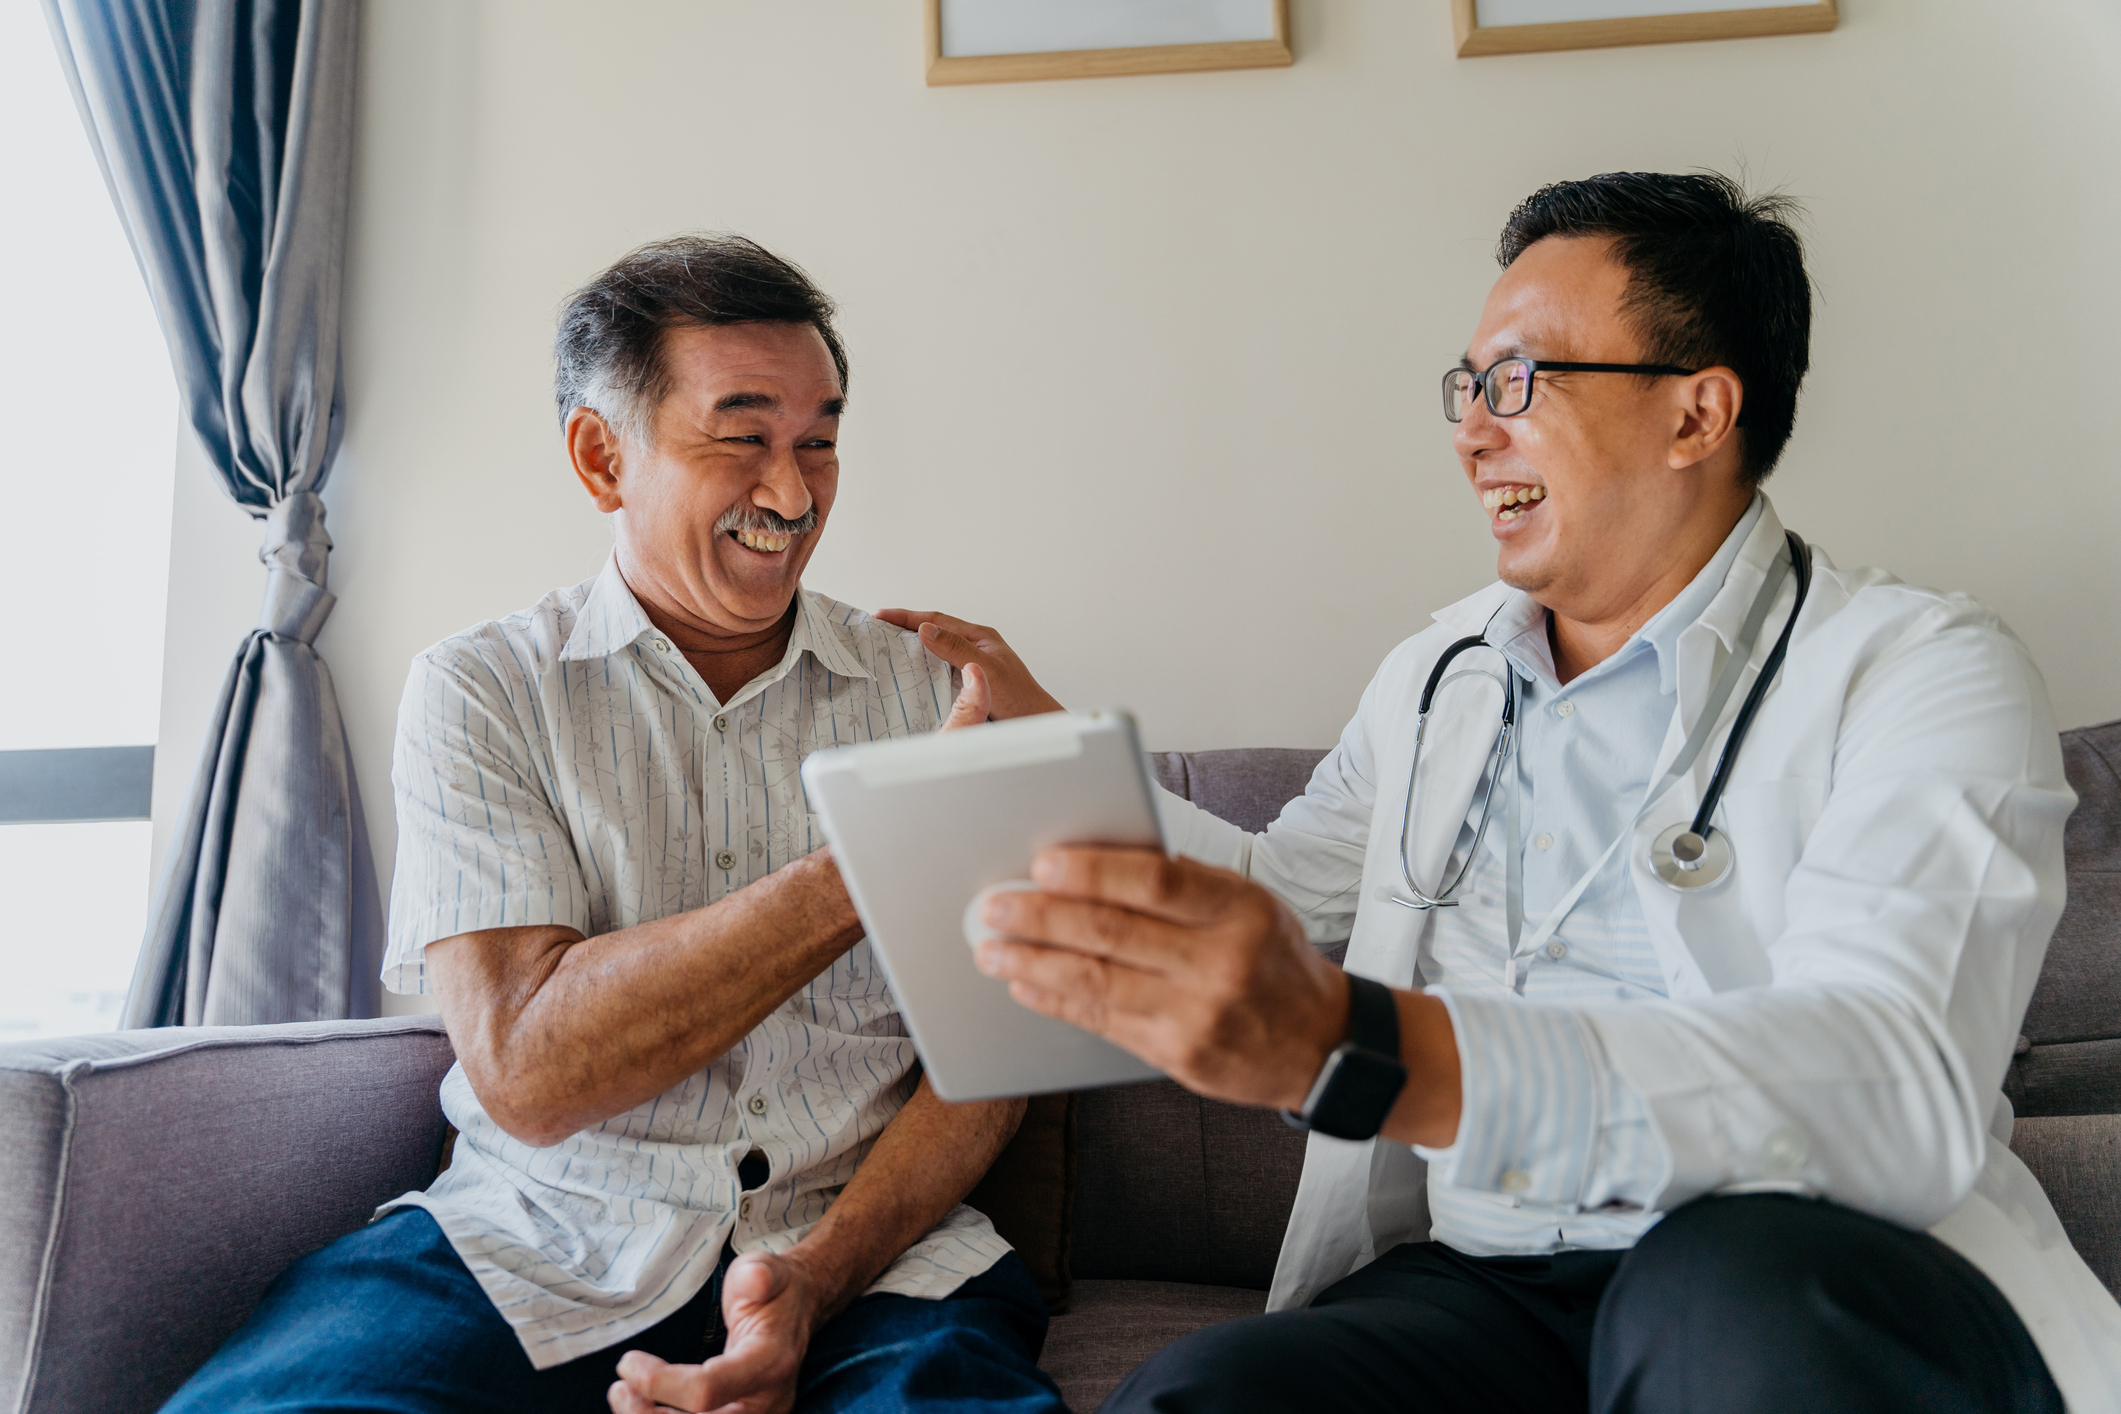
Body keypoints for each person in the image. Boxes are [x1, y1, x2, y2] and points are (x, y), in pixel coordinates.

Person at [900, 172, 2121, 1411]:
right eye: (1468, 387)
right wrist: (1051, 752)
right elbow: (1285, 885)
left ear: (1697, 412)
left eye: (1520, 382)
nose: (1472, 430)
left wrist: (1365, 1049)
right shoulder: (1440, 674)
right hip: (1487, 1274)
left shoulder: (1920, 669)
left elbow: (1891, 1078)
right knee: (1208, 1392)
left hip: (1792, 1260)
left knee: (1716, 1313)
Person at [160, 235, 1066, 1414]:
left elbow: (990, 1063)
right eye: (743, 437)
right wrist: (881, 854)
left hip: (876, 1259)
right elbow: (529, 1068)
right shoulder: (483, 689)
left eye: (819, 441)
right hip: (530, 1242)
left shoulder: (933, 689)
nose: (793, 496)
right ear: (602, 456)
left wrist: (815, 1278)